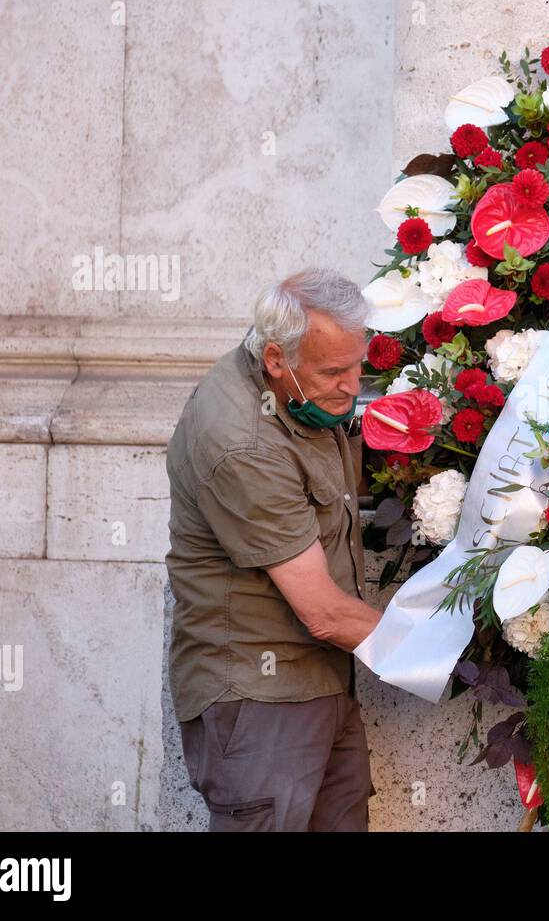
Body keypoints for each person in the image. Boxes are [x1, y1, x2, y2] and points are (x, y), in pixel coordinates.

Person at [165, 267, 382, 831]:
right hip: (260, 700)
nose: (354, 385)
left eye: (359, 364)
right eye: (336, 371)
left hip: (319, 681)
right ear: (276, 360)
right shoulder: (242, 441)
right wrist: (445, 650)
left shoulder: (300, 390)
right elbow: (324, 613)